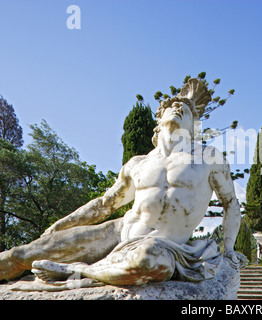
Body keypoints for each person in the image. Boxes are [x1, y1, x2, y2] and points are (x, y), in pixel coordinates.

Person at [0, 78, 246, 286]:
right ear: (158, 122)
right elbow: (104, 205)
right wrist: (61, 224)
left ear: (194, 126)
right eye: (173, 105)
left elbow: (230, 203)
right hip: (117, 232)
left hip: (164, 246)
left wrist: (229, 249)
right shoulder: (137, 163)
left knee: (149, 260)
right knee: (21, 254)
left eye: (187, 109)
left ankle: (75, 272)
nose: (179, 108)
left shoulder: (208, 157)